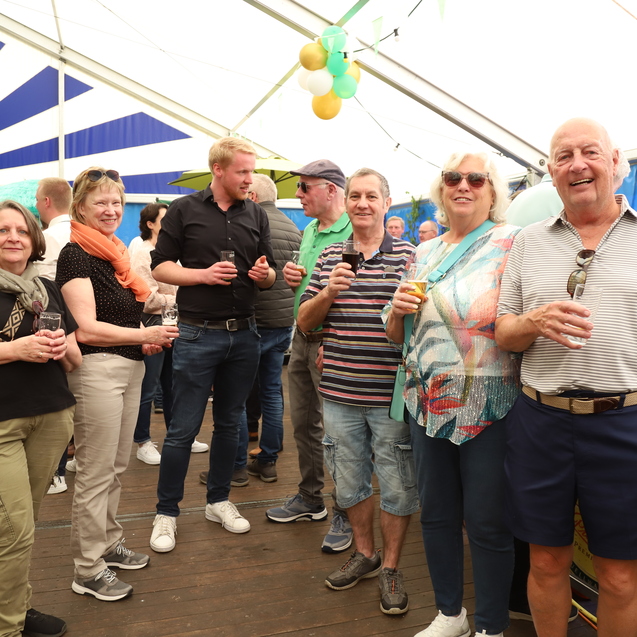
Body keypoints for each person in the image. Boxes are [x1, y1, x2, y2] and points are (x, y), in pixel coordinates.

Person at [496, 118, 637, 637]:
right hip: (542, 420)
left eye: (590, 152)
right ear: (551, 172)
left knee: (620, 576)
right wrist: (533, 322)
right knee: (546, 562)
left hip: (625, 422)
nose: (578, 164)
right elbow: (503, 332)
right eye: (563, 156)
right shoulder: (528, 242)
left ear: (616, 163)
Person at [386, 152, 521, 637]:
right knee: (437, 514)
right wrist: (396, 309)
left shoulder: (513, 242)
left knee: (486, 522)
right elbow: (395, 336)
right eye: (453, 177)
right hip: (427, 403)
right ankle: (450, 614)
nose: (463, 185)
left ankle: (490, 625)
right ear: (441, 189)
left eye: (476, 178)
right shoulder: (422, 253)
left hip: (491, 404)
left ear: (493, 190)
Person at [298, 168, 418, 615]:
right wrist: (328, 292)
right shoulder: (331, 255)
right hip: (339, 393)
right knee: (348, 481)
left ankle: (391, 566)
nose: (362, 203)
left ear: (386, 203)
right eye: (355, 196)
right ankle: (365, 554)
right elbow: (304, 322)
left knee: (397, 484)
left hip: (391, 396)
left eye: (371, 196)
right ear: (345, 203)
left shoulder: (410, 256)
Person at [56, 167, 178, 602]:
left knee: (116, 466)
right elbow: (86, 328)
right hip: (97, 370)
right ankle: (88, 569)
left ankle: (108, 543)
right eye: (101, 202)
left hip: (129, 367)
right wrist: (145, 334)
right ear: (80, 207)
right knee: (95, 470)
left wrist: (146, 333)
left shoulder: (114, 253)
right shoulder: (75, 254)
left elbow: (127, 310)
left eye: (116, 202)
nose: (111, 210)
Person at [149, 137, 275, 552]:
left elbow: (269, 273)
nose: (249, 179)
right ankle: (167, 512)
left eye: (252, 171)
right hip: (196, 333)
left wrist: (264, 275)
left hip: (245, 334)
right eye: (243, 171)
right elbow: (161, 267)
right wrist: (202, 275)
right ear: (218, 170)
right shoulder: (184, 209)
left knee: (230, 423)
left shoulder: (256, 212)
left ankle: (218, 501)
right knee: (182, 429)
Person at [0, 200, 81, 637]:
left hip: (50, 418)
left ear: (34, 239)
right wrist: (16, 349)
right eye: (2, 230)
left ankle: (16, 606)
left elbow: (75, 360)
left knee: (22, 526)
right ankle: (8, 626)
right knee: (12, 530)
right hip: (3, 424)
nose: (13, 237)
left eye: (21, 230)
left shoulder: (46, 287)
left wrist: (61, 346)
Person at [264, 159, 353, 555]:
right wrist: (291, 279)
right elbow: (311, 285)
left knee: (340, 431)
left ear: (331, 190)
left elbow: (357, 296)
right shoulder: (312, 230)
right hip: (301, 337)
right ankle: (311, 497)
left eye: (305, 187)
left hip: (332, 343)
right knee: (303, 423)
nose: (297, 194)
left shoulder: (353, 230)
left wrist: (334, 339)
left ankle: (346, 510)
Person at [130, 203, 208, 465]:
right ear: (150, 224)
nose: (171, 223)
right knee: (149, 386)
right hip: (153, 324)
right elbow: (147, 299)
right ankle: (143, 441)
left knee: (174, 385)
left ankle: (180, 435)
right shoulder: (143, 253)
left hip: (175, 323)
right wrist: (183, 298)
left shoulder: (172, 251)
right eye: (164, 219)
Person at [238, 173, 301, 483]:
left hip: (253, 320)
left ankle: (236, 464)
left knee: (236, 393)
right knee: (273, 391)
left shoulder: (248, 223)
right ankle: (268, 460)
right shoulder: (293, 227)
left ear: (252, 196)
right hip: (282, 321)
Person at [34, 177, 74, 495]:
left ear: (46, 201)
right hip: (91, 331)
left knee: (57, 398)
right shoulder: (84, 234)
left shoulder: (47, 239)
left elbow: (43, 297)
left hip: (58, 329)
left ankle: (57, 473)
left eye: (37, 200)